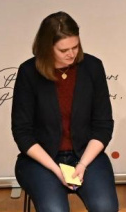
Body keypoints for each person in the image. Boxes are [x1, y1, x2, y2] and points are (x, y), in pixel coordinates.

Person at [11, 12, 118, 212]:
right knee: (55, 210)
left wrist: (83, 164)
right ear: (47, 48)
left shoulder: (92, 68)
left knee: (105, 207)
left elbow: (103, 126)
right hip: (42, 160)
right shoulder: (29, 73)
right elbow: (22, 133)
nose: (71, 54)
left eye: (75, 47)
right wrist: (55, 168)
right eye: (64, 50)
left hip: (85, 156)